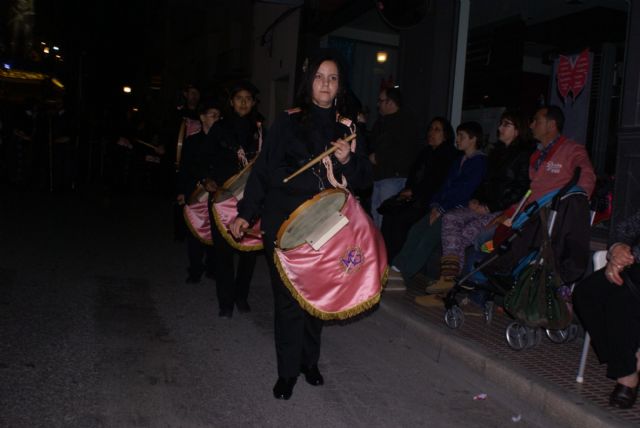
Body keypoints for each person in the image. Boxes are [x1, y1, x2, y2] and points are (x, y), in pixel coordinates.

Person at [230, 52, 372, 400]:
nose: (326, 83)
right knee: (288, 301)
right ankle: (287, 372)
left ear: (340, 86)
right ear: (309, 82)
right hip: (284, 225)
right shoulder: (288, 121)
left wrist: (347, 159)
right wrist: (247, 213)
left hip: (325, 227)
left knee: (316, 299)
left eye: (333, 78)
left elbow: (364, 180)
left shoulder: (349, 127)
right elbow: (263, 170)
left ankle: (310, 361)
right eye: (320, 76)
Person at [426, 111, 533, 295]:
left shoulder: (524, 157)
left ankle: (448, 283)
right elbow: (483, 183)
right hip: (485, 207)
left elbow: (520, 190)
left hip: (502, 211)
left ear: (517, 130)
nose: (500, 128)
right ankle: (448, 283)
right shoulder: (496, 154)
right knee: (451, 219)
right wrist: (476, 199)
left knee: (463, 232)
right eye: (500, 123)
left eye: (506, 124)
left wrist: (491, 207)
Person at [391, 121, 487, 284]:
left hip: (456, 208)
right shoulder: (459, 160)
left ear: (473, 139)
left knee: (429, 237)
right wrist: (435, 204)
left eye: (462, 136)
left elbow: (464, 190)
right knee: (416, 230)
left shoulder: (479, 162)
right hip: (443, 207)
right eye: (457, 135)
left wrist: (442, 208)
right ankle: (396, 267)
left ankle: (405, 274)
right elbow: (445, 185)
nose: (457, 139)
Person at [573, 209, 640, 409]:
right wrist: (618, 249)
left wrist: (626, 259)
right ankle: (628, 359)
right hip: (634, 266)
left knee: (619, 300)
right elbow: (627, 227)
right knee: (586, 294)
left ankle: (626, 376)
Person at [211, 81, 264, 318]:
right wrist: (207, 180)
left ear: (253, 103)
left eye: (247, 98)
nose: (243, 102)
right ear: (231, 102)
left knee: (249, 252)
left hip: (251, 199)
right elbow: (206, 157)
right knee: (222, 254)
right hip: (224, 197)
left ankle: (241, 296)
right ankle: (225, 302)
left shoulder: (260, 130)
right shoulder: (219, 128)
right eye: (239, 98)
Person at [380, 116, 458, 261]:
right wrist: (408, 191)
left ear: (446, 135)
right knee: (389, 212)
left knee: (401, 218)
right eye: (430, 129)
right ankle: (384, 258)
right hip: (414, 196)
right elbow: (413, 176)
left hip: (431, 200)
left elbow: (437, 182)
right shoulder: (425, 153)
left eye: (437, 130)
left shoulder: (449, 155)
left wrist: (414, 192)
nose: (431, 133)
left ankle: (396, 261)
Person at [177, 100, 223, 284]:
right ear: (202, 117)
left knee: (215, 230)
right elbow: (185, 168)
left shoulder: (222, 142)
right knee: (194, 232)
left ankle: (212, 266)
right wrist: (181, 191)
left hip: (215, 192)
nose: (217, 120)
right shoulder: (192, 141)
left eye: (219, 117)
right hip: (195, 191)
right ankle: (195, 269)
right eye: (213, 116)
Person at [368, 87, 419, 228]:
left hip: (393, 177)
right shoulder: (382, 122)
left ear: (391, 102)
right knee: (377, 216)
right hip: (381, 176)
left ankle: (385, 248)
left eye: (381, 101)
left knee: (386, 218)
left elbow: (404, 151)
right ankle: (379, 248)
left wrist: (379, 157)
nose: (378, 104)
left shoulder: (405, 122)